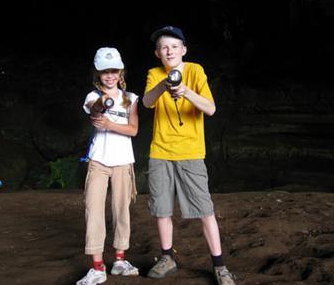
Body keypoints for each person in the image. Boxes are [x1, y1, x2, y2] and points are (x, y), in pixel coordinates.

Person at [142, 26, 236, 285]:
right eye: (164, 47)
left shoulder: (195, 71)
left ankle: (220, 266)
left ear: (184, 49)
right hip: (160, 150)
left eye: (174, 45)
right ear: (157, 53)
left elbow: (211, 108)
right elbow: (147, 102)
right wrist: (164, 84)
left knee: (205, 209)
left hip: (191, 151)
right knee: (161, 209)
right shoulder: (154, 74)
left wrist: (185, 91)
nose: (169, 50)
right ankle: (167, 257)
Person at [77, 47, 139, 285]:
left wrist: (110, 123)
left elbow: (133, 130)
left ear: (120, 71)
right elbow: (95, 109)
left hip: (123, 162)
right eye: (105, 71)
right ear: (98, 73)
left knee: (121, 209)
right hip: (98, 162)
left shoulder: (131, 98)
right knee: (93, 209)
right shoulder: (92, 96)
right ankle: (97, 267)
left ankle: (120, 260)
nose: (110, 75)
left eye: (114, 70)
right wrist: (103, 103)